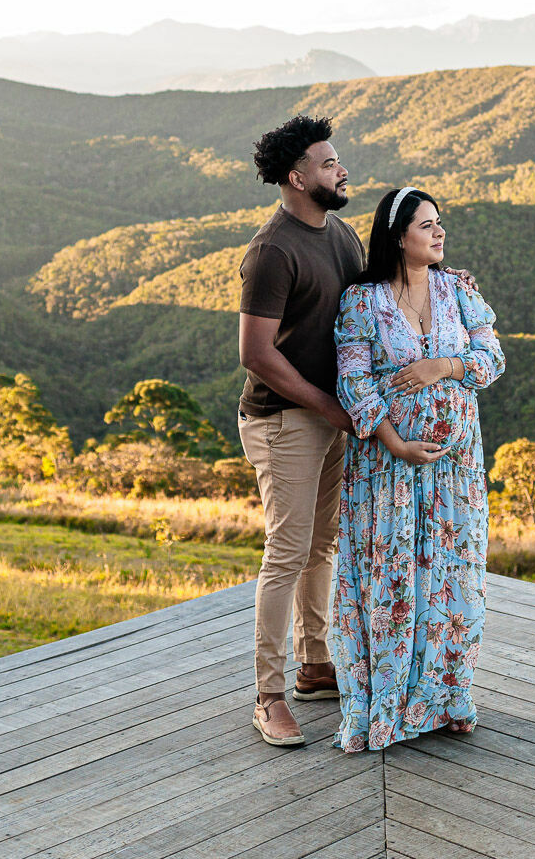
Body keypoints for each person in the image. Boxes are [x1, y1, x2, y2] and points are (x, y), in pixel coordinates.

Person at [330, 186, 504, 751]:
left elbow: (491, 359)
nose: (439, 232)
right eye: (426, 225)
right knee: (396, 576)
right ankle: (391, 701)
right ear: (397, 235)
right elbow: (352, 379)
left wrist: (442, 365)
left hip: (455, 469)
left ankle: (448, 697)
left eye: (440, 223)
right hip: (388, 471)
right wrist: (394, 442)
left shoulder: (460, 290)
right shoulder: (364, 300)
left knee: (451, 576)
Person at [236, 114, 365, 747]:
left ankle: (317, 666)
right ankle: (268, 695)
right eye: (328, 163)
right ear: (296, 177)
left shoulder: (341, 236)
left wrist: (445, 285)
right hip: (283, 419)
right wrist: (328, 407)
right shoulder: (272, 250)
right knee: (286, 553)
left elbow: (374, 305)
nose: (341, 169)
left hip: (328, 415)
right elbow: (257, 354)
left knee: (322, 545)